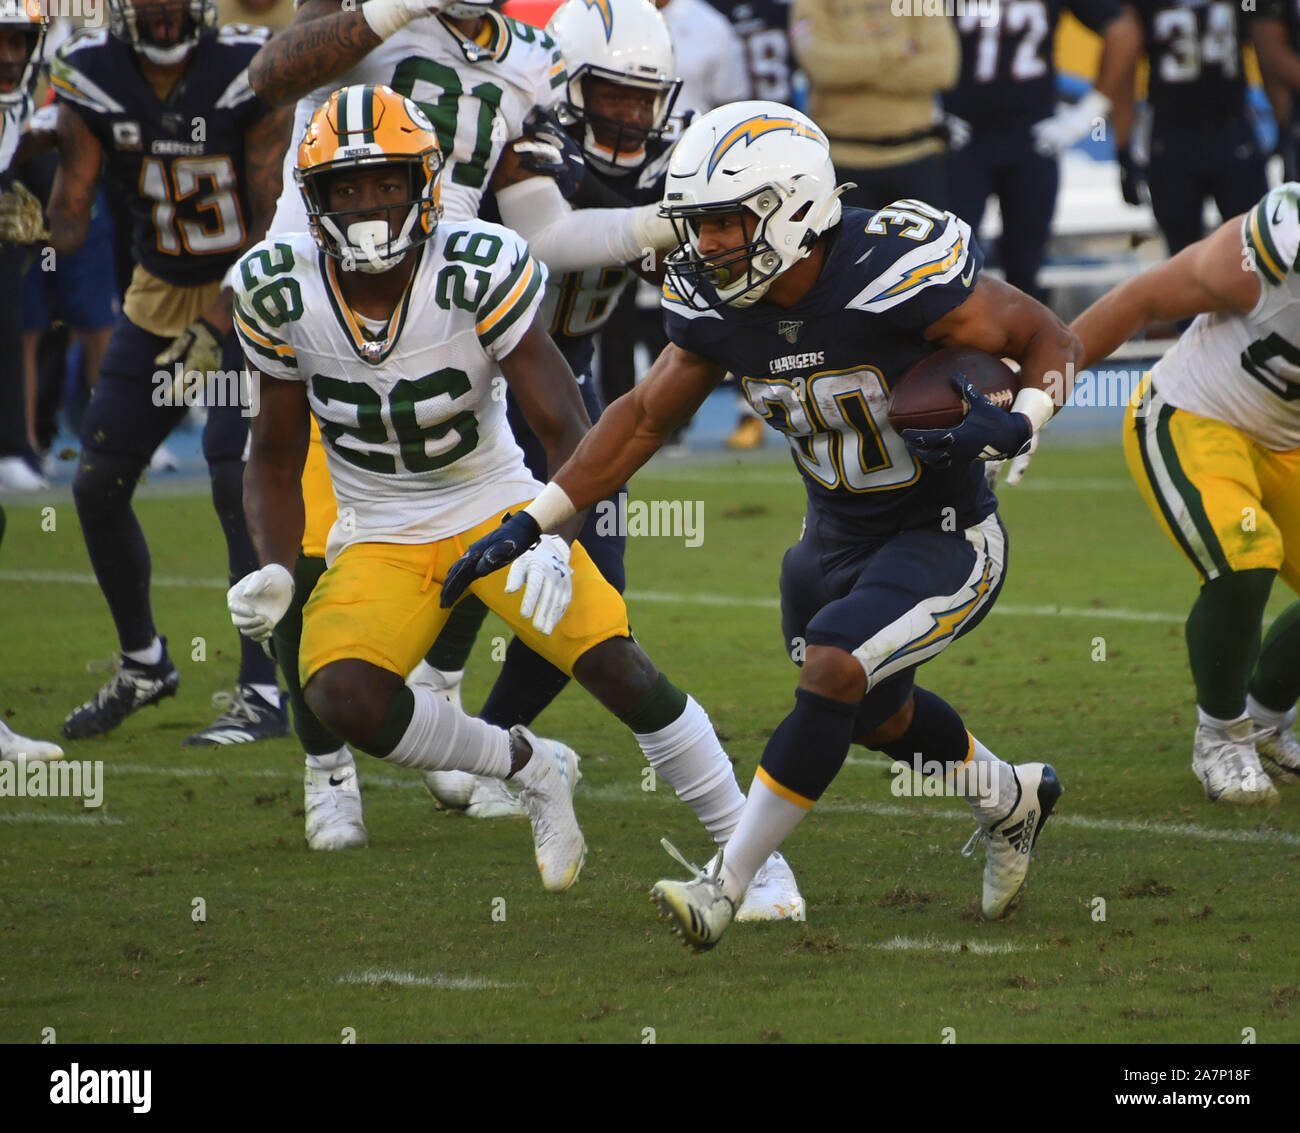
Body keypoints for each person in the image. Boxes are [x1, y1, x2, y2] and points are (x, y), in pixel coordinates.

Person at [440, 100, 1083, 950]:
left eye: (723, 225)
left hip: (944, 531)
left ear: (796, 207)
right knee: (874, 713)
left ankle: (725, 883)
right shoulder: (716, 307)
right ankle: (1009, 796)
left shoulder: (894, 264)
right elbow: (637, 420)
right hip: (829, 544)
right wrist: (536, 522)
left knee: (832, 670)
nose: (705, 247)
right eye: (695, 227)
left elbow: (1051, 336)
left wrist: (1025, 418)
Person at [228, 84, 799, 906]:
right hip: (379, 526)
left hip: (495, 505)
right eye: (343, 189)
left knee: (619, 669)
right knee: (343, 696)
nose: (366, 206)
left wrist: (554, 539)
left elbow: (570, 426)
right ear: (310, 200)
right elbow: (275, 457)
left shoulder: (474, 266)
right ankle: (525, 765)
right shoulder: (281, 290)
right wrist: (276, 566)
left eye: (386, 182)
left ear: (423, 183)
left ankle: (756, 857)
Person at [38, 0, 293, 745]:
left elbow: (270, 209)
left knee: (230, 473)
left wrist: (225, 319)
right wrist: (24, 206)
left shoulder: (247, 65)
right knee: (97, 482)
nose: (161, 12)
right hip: (157, 295)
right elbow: (71, 215)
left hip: (249, 288)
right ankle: (145, 661)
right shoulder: (92, 74)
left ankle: (263, 688)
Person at [1071, 184, 1300, 805]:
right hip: (1195, 415)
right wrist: (1042, 390)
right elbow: (1142, 297)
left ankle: (1264, 720)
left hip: (1290, 439)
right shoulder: (1263, 254)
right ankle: (1220, 736)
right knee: (1246, 554)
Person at [943, 0, 1141, 302]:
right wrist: (927, 111)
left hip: (1030, 141)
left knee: (1026, 271)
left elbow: (1123, 34)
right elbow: (900, 29)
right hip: (965, 140)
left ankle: (1022, 348)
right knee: (948, 265)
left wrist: (1088, 113)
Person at [1117, 1, 1267, 255]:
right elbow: (1124, 57)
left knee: (1253, 246)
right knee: (1195, 254)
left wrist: (1122, 150)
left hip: (1202, 131)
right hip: (1194, 133)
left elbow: (1267, 39)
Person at [789, 0, 957, 211]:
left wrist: (853, 74)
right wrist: (897, 51)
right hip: (843, 162)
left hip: (916, 156)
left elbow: (942, 70)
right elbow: (824, 68)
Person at [0, 0, 48, 492]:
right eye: (1, 40)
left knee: (10, 329)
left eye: (19, 41)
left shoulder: (21, 105)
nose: (11, 56)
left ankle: (13, 444)